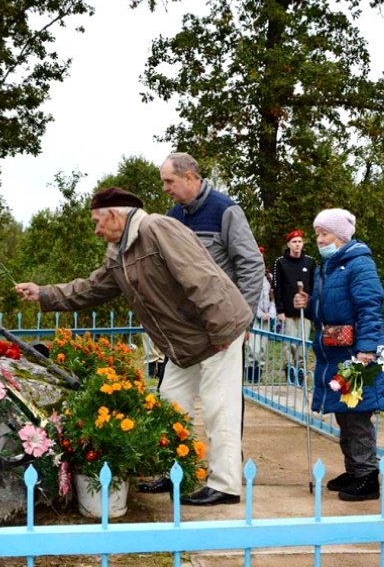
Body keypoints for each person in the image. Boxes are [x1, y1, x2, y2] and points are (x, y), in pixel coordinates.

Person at [15, 187, 252, 506]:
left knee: (218, 407)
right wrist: (43, 294)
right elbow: (92, 288)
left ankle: (226, 485)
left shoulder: (157, 228)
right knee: (170, 405)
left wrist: (221, 327)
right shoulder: (119, 252)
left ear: (114, 214)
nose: (96, 230)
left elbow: (200, 276)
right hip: (186, 340)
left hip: (216, 330)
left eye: (98, 222)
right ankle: (174, 473)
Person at [293, 208, 384, 502]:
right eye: (318, 235)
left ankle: (367, 476)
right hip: (335, 354)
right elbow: (326, 310)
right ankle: (354, 470)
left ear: (341, 236)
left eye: (324, 234)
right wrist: (308, 304)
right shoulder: (329, 268)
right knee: (344, 415)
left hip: (355, 354)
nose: (319, 240)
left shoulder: (360, 265)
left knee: (357, 416)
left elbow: (370, 308)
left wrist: (366, 351)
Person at [159, 152, 264, 315]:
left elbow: (251, 264)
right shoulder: (171, 217)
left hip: (223, 320)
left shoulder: (225, 210)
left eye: (169, 181)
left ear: (188, 177)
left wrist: (243, 319)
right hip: (187, 322)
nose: (165, 188)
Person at [273, 230, 316, 374]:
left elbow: (314, 286)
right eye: (294, 242)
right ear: (288, 244)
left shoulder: (309, 262)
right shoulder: (280, 263)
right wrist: (280, 310)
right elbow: (277, 287)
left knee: (302, 342)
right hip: (288, 311)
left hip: (305, 311)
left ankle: (301, 368)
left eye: (299, 242)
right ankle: (289, 367)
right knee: (288, 342)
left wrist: (312, 307)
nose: (297, 245)